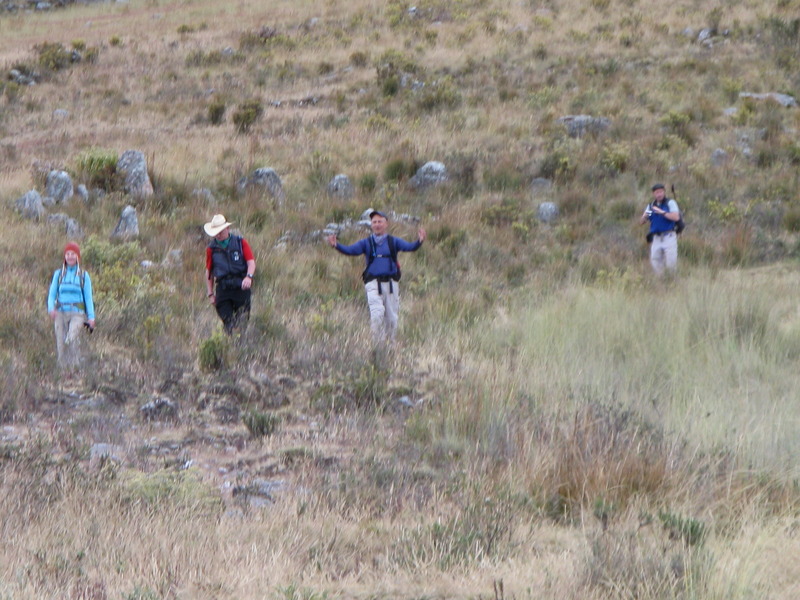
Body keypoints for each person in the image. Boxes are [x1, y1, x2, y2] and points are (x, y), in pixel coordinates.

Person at [327, 210, 426, 345]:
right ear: (371, 225)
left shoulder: (393, 241)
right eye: (374, 222)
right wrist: (336, 245)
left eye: (380, 221)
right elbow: (351, 250)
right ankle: (377, 346)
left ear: (386, 224)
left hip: (391, 285)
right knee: (377, 314)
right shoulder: (366, 243)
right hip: (373, 283)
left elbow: (409, 247)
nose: (377, 224)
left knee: (391, 318)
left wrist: (419, 241)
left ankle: (390, 346)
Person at [47, 242, 95, 373]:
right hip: (60, 313)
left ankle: (75, 368)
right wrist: (51, 308)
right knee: (60, 344)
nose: (70, 256)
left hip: (77, 314)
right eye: (67, 254)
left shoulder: (84, 276)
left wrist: (91, 317)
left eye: (73, 254)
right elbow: (52, 295)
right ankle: (63, 372)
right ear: (65, 256)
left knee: (71, 339)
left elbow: (88, 298)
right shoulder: (58, 274)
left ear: (77, 256)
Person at [204, 214, 255, 335]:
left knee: (242, 321)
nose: (218, 235)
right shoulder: (211, 249)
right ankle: (230, 342)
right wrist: (210, 294)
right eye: (216, 233)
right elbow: (209, 272)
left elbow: (251, 263)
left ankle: (242, 342)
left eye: (220, 232)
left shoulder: (241, 242)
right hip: (223, 289)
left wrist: (248, 277)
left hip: (241, 287)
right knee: (228, 322)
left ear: (227, 229)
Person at [640, 183, 681, 276]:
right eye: (657, 192)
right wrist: (645, 217)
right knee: (656, 263)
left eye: (661, 192)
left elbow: (676, 217)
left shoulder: (670, 203)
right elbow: (642, 221)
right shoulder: (651, 206)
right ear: (654, 194)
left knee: (671, 264)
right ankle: (661, 282)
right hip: (656, 238)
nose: (659, 194)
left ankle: (672, 281)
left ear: (664, 192)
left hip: (669, 236)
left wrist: (662, 212)